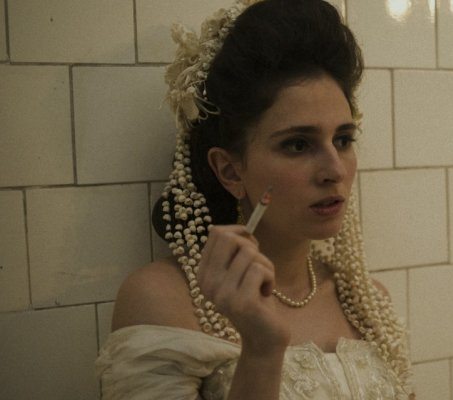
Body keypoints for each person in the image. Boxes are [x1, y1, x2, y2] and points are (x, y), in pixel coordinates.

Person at [95, 1, 414, 398]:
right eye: (298, 144)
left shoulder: (368, 303)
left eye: (343, 139)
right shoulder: (162, 300)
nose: (334, 169)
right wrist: (261, 350)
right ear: (230, 171)